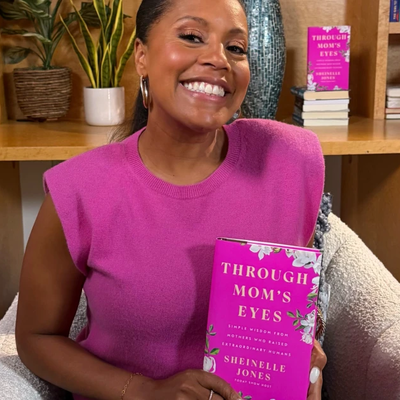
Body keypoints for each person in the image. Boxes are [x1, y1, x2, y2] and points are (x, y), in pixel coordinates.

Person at [15, 0, 327, 399]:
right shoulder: (79, 190)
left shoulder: (291, 160)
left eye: (235, 48)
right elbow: (36, 338)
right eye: (192, 37)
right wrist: (143, 391)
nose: (219, 59)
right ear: (141, 56)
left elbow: (293, 295)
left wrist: (304, 349)